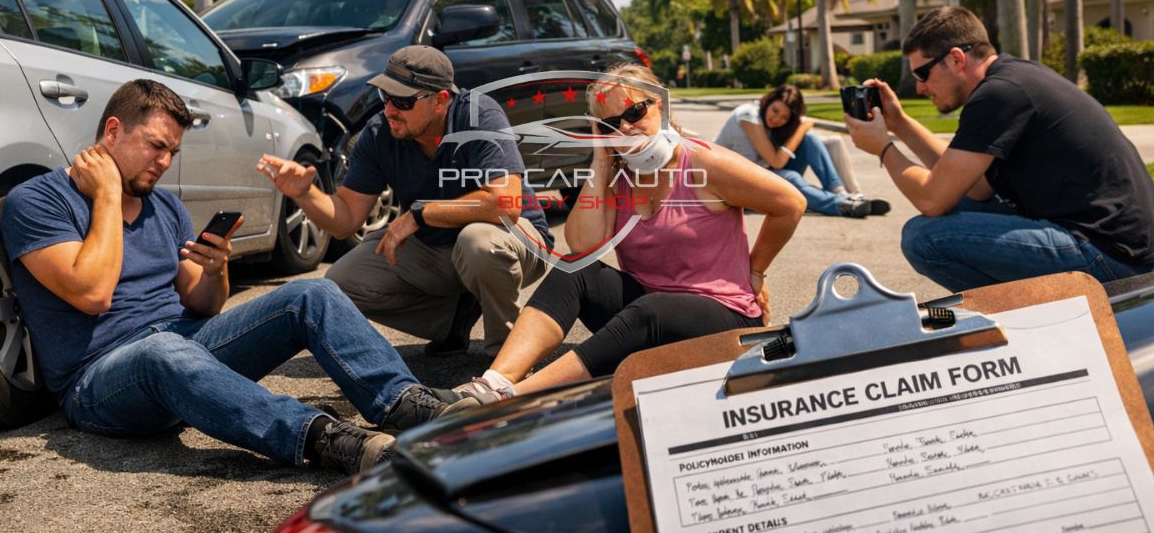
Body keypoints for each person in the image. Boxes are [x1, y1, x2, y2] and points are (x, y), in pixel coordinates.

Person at [0, 80, 462, 476]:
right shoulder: (37, 201)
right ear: (113, 131)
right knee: (164, 350)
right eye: (156, 147)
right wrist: (106, 194)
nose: (163, 163)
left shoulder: (164, 206)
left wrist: (216, 269)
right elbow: (92, 293)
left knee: (312, 292)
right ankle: (322, 437)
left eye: (173, 152)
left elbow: (202, 306)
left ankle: (403, 403)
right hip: (101, 379)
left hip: (185, 345)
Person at [449, 64, 806, 405]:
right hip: (646, 316)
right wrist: (602, 161)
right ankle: (491, 383)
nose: (625, 128)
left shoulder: (702, 163)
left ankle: (512, 398)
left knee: (652, 309)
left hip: (723, 322)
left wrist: (755, 270)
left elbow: (790, 203)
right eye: (609, 125)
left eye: (634, 113)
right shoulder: (618, 177)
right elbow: (583, 246)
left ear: (660, 105)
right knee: (575, 269)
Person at [257, 45, 552, 357]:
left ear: (440, 101)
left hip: (516, 237)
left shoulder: (479, 115)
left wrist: (421, 214)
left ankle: (506, 357)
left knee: (478, 243)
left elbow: (505, 204)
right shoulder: (379, 133)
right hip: (436, 249)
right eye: (386, 97)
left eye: (403, 101)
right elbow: (345, 219)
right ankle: (451, 320)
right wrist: (307, 194)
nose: (389, 110)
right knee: (340, 283)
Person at [844, 6, 1154, 292]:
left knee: (923, 238)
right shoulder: (1012, 79)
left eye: (922, 73)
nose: (919, 87)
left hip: (1104, 255)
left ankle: (1018, 321)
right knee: (956, 210)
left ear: (956, 59)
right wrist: (900, 125)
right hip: (1117, 245)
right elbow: (977, 189)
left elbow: (931, 200)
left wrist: (884, 148)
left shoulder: (998, 94)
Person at [714, 84, 890, 218]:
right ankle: (842, 204)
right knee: (791, 177)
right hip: (735, 187)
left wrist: (803, 131)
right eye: (775, 110)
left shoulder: (766, 121)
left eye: (784, 117)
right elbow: (776, 162)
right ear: (768, 101)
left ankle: (840, 192)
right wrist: (801, 128)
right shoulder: (748, 116)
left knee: (810, 139)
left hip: (759, 176)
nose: (776, 119)